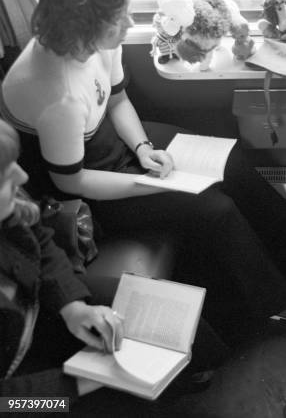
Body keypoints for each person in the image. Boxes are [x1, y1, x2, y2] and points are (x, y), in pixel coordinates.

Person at [0, 0, 286, 331]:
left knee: (229, 158)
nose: (128, 22)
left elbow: (118, 100)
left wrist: (144, 148)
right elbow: (72, 181)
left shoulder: (100, 45)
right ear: (85, 25)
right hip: (88, 187)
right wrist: (149, 184)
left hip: (114, 144)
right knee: (214, 208)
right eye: (117, 17)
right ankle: (277, 302)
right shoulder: (57, 96)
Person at [0, 119, 229, 406]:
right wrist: (86, 382)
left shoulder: (10, 209)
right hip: (22, 387)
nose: (22, 177)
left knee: (158, 311)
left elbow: (41, 246)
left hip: (36, 315)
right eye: (4, 176)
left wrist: (73, 307)